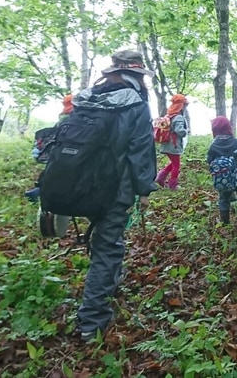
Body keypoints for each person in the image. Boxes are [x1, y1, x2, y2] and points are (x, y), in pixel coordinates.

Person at [73, 49, 157, 341]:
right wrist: (144, 189)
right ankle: (91, 323)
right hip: (114, 189)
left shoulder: (86, 98)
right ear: (135, 75)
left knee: (103, 245)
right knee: (108, 249)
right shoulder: (135, 104)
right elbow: (140, 151)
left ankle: (107, 287)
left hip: (78, 185)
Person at [206, 116, 237, 233]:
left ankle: (225, 221)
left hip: (223, 179)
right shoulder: (236, 142)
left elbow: (209, 160)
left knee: (223, 198)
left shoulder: (214, 145)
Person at [155, 94, 189, 190]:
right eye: (185, 105)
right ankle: (173, 185)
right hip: (173, 145)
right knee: (176, 166)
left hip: (166, 145)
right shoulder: (178, 117)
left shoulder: (169, 116)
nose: (185, 108)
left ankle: (161, 177)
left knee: (173, 163)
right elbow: (180, 131)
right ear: (181, 106)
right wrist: (186, 131)